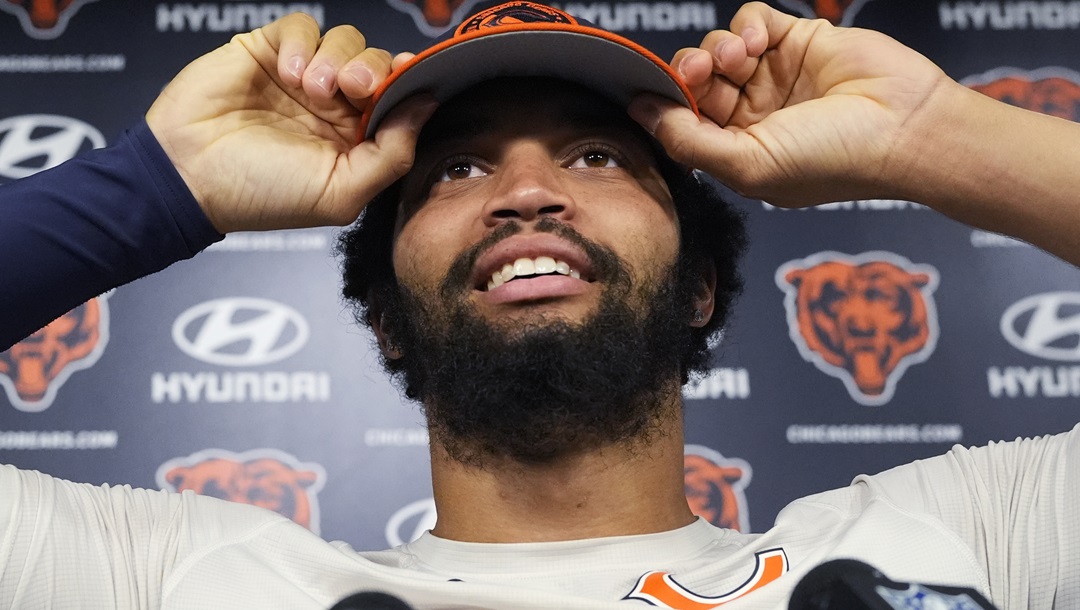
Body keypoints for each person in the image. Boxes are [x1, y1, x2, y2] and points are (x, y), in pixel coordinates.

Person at [1, 1, 1078, 608]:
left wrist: (930, 138)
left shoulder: (953, 538)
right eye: (457, 171)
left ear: (701, 285)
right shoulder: (196, 583)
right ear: (383, 314)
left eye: (597, 154)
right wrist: (154, 185)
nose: (526, 194)